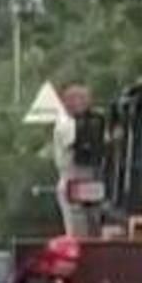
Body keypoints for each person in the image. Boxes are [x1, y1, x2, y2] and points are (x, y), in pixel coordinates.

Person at [52, 84, 97, 238]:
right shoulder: (66, 124)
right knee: (78, 233)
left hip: (89, 182)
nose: (89, 105)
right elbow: (82, 143)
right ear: (71, 102)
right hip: (73, 180)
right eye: (84, 100)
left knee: (92, 230)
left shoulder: (84, 121)